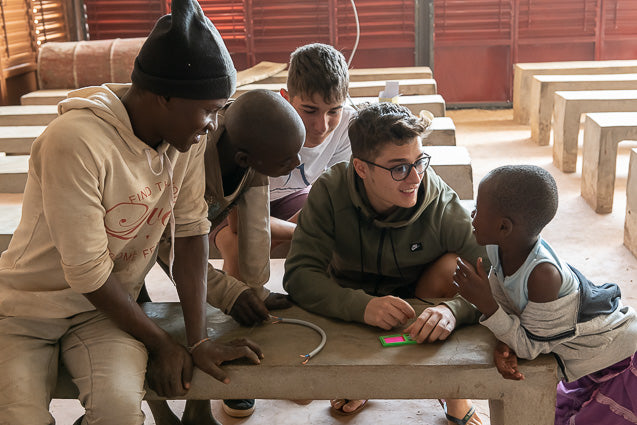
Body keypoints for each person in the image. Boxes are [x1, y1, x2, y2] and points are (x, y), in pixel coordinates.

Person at [0, 1, 264, 424]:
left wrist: (197, 341)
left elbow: (192, 230)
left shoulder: (185, 140)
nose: (213, 125)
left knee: (119, 411)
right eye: (208, 109)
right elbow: (87, 272)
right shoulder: (75, 141)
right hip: (26, 309)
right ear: (162, 97)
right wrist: (161, 342)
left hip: (104, 313)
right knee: (18, 418)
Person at [283, 102, 486, 424]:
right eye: (399, 167)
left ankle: (453, 391)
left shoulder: (440, 202)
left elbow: (491, 272)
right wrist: (360, 306)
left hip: (420, 298)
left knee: (453, 267)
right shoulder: (330, 191)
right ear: (361, 168)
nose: (415, 177)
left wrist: (453, 310)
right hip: (352, 298)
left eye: (419, 161)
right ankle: (362, 378)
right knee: (300, 383)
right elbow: (298, 275)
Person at [148, 89, 306, 424]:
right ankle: (160, 411)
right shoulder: (189, 157)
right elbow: (167, 245)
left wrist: (255, 289)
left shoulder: (251, 150)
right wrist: (229, 292)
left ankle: (197, 406)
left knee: (212, 317)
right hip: (135, 241)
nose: (297, 164)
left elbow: (256, 226)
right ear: (245, 160)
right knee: (143, 324)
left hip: (187, 234)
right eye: (286, 160)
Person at [453, 164, 637, 424]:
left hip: (618, 356)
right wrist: (504, 333)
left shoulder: (543, 276)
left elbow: (530, 346)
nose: (472, 213)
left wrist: (486, 304)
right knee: (554, 412)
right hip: (584, 355)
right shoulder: (497, 248)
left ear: (504, 227)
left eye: (478, 208)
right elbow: (510, 306)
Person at [214, 42, 354, 293]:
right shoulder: (261, 123)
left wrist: (300, 229)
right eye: (309, 110)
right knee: (241, 252)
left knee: (339, 232)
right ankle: (235, 311)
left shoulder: (347, 125)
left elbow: (335, 194)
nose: (322, 126)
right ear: (286, 98)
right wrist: (304, 230)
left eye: (334, 111)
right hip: (237, 206)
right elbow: (239, 222)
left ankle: (316, 300)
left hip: (292, 198)